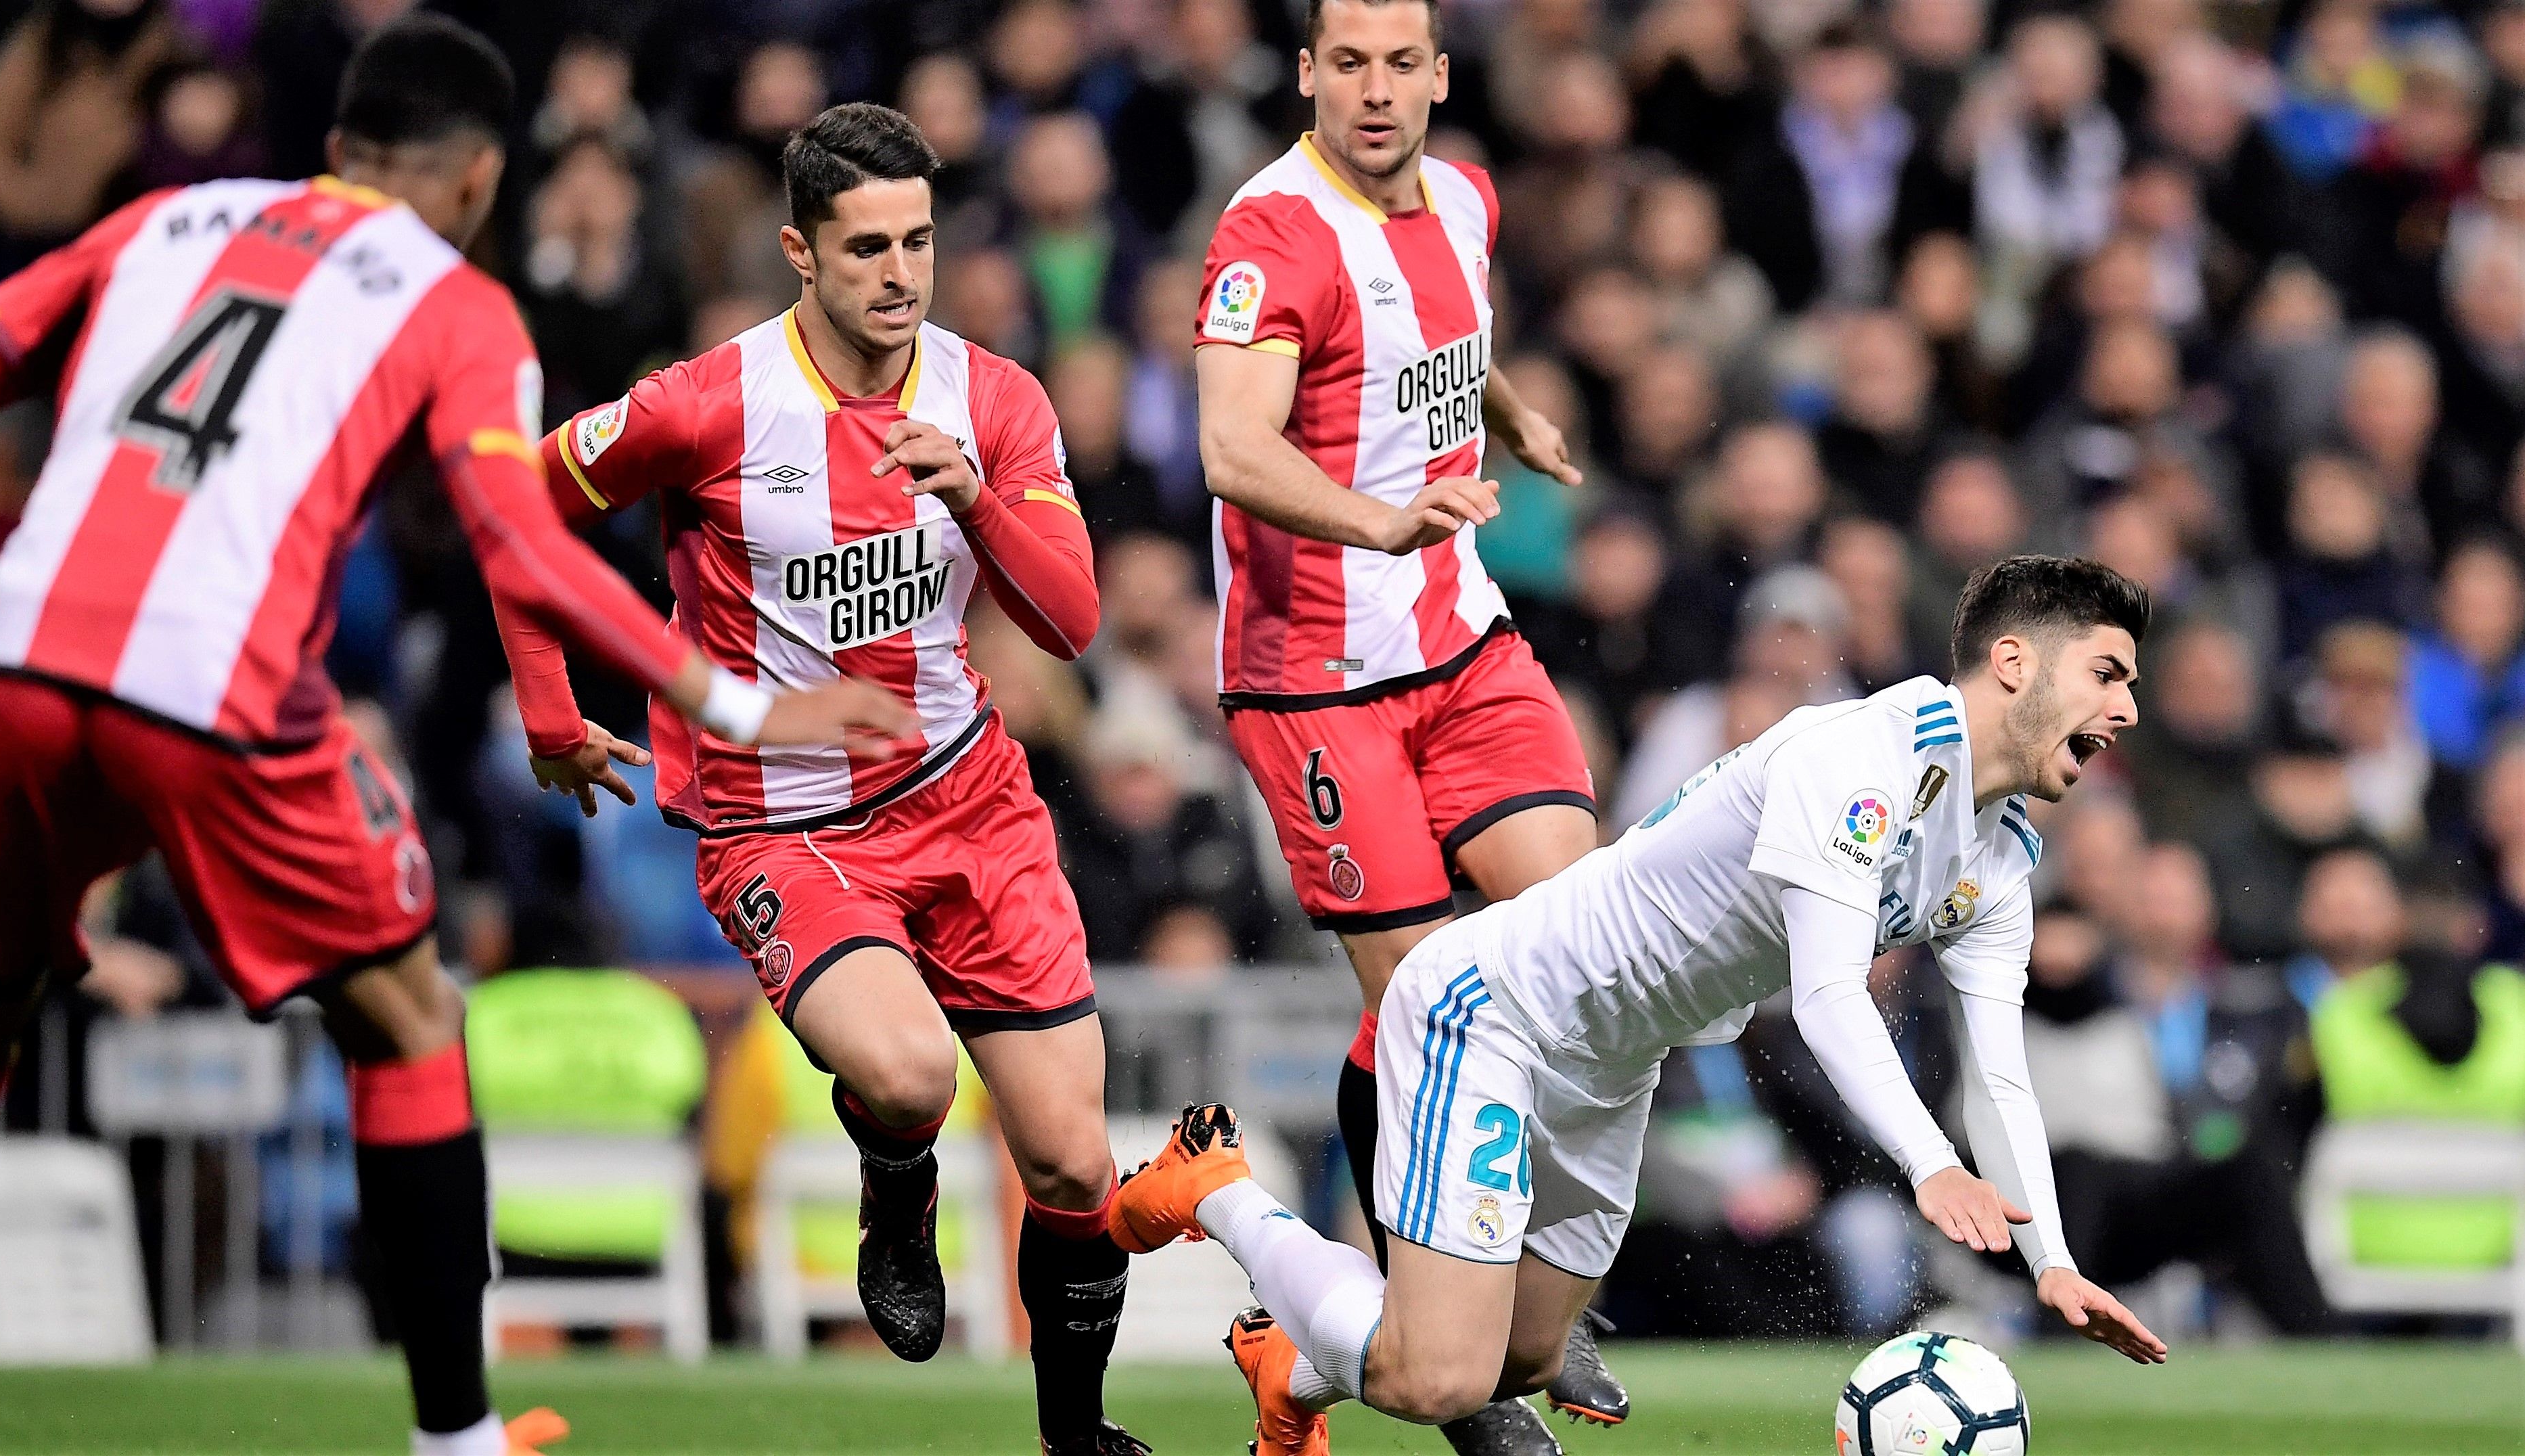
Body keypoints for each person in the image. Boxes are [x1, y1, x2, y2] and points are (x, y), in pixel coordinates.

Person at [0, 18, 912, 1456]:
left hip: (15, 660)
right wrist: (741, 703)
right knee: (407, 1016)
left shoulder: (161, 217)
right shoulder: (457, 305)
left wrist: (542, 713)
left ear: (335, 152)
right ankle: (455, 1440)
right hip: (211, 688)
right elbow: (518, 541)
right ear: (478, 183)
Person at [1110, 556, 2172, 1450]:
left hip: (1618, 1065)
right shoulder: (1860, 755)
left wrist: (2055, 1264)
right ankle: (1217, 1188)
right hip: (1492, 1012)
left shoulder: (1995, 859)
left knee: (1521, 1358)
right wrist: (1929, 1163)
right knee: (1439, 1383)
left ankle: (1291, 1363)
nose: (2125, 708)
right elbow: (1825, 993)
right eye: (2107, 673)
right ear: (2012, 660)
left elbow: (2000, 1071)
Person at [497, 104, 1140, 1456]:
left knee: (1075, 1161)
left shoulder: (996, 399)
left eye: (916, 239)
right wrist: (552, 711)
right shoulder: (707, 401)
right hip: (783, 829)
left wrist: (973, 498)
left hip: (969, 800)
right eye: (864, 248)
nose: (900, 274)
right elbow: (521, 508)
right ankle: (894, 1180)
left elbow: (1071, 620)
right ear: (799, 250)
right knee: (911, 1076)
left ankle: (1074, 1438)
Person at [1188, 1, 1621, 1444]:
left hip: (1459, 638)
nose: (1374, 92)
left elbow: (1443, 338)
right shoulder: (1268, 237)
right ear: (1307, 72)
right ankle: (1446, 1355)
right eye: (1346, 64)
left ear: (1439, 75)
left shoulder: (1466, 197)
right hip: (1316, 681)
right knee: (1440, 1008)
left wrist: (1507, 414)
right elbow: (1230, 445)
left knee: (1588, 949)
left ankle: (1507, 1313)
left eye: (1400, 65)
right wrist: (1379, 519)